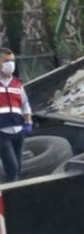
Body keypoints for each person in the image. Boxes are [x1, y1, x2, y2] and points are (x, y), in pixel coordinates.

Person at [0, 48, 33, 182]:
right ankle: (10, 197)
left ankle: (15, 194)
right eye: (6, 61)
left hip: (18, 131)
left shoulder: (17, 84)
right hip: (2, 132)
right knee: (12, 167)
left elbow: (25, 105)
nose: (10, 64)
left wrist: (28, 123)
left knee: (18, 168)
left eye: (12, 60)